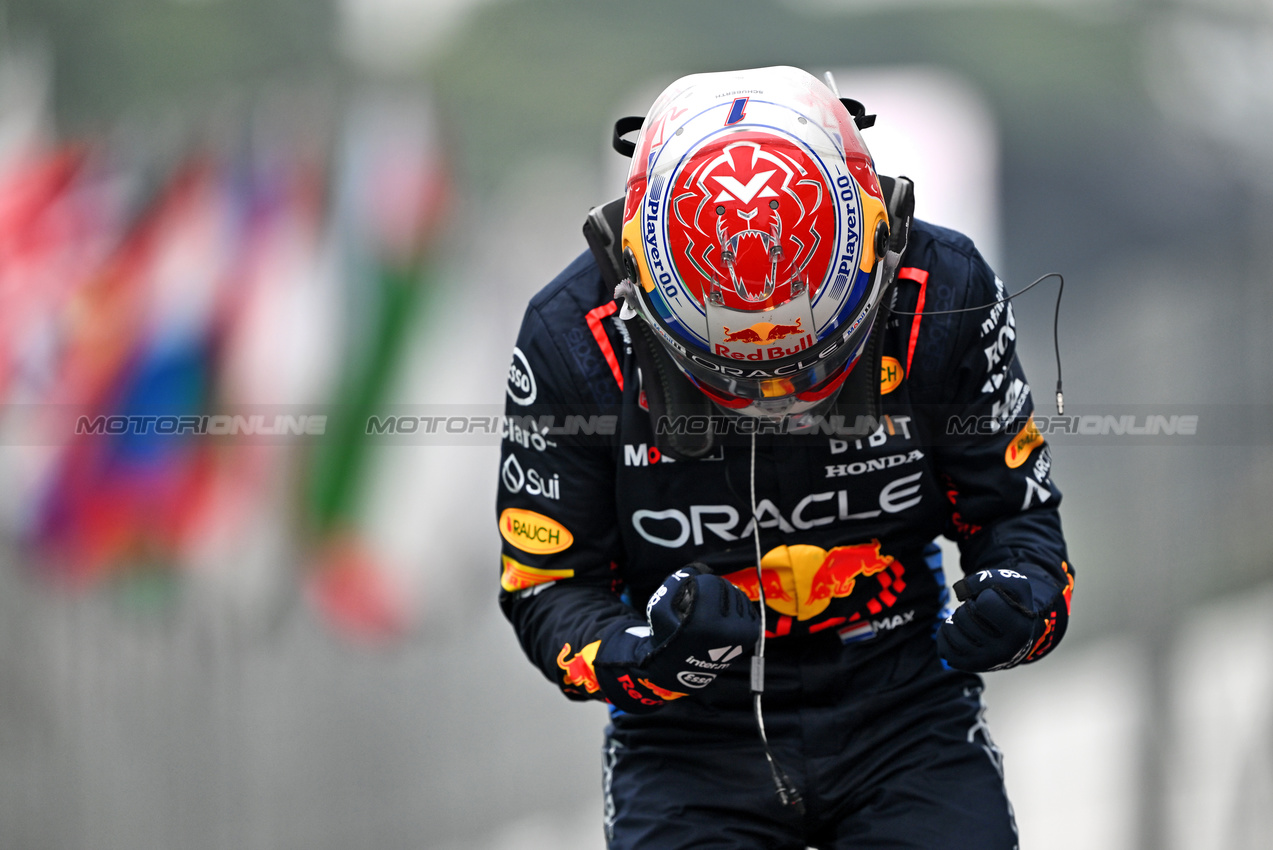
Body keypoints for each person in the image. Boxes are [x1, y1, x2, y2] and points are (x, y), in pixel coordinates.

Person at [496, 66, 1074, 850]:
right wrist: (649, 657)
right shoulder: (573, 339)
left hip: (904, 717)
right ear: (637, 282)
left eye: (807, 359)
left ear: (880, 236)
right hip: (684, 746)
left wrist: (1021, 608)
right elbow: (546, 587)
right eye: (730, 366)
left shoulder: (945, 290)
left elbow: (1017, 520)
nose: (774, 385)